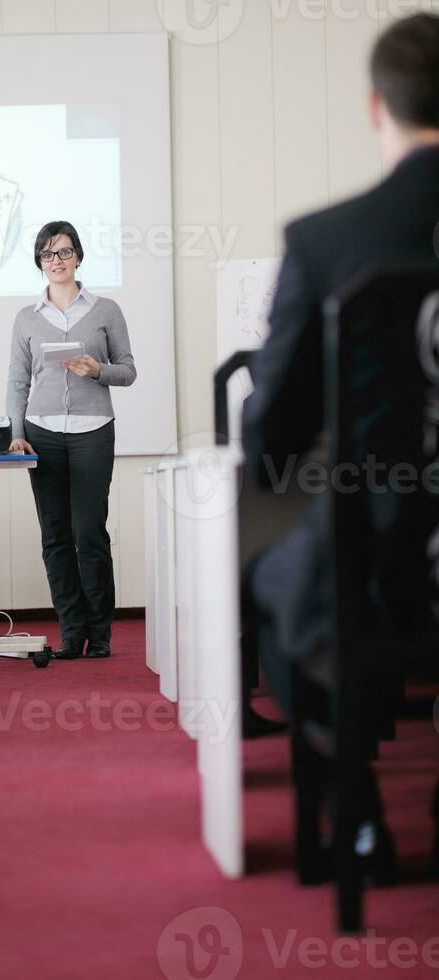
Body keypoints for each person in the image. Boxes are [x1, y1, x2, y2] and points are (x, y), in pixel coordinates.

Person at [241, 13, 439, 869]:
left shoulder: (324, 241)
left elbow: (273, 437)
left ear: (374, 107)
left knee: (273, 567)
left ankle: (357, 811)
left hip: (385, 550)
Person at [6, 220, 136, 659]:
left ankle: (99, 634)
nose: (55, 261)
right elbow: (17, 380)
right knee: (55, 536)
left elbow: (129, 371)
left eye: (62, 252)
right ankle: (70, 632)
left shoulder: (106, 311)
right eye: (47, 254)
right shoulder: (27, 318)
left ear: (78, 255)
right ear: (39, 263)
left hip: (92, 431)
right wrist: (17, 433)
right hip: (41, 433)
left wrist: (96, 370)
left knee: (90, 534)